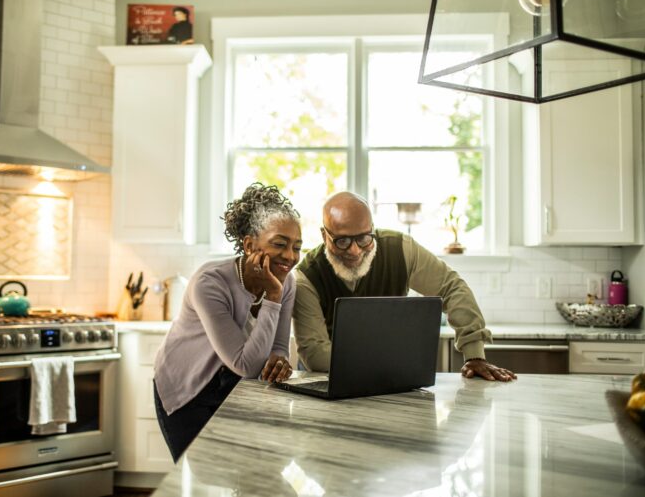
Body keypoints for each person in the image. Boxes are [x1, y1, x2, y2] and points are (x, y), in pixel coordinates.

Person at [293, 191, 516, 382]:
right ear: (324, 235)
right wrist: (394, 361)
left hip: (391, 377)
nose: (355, 251)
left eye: (364, 238)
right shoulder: (306, 277)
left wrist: (474, 354)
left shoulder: (401, 250)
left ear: (372, 228)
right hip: (326, 380)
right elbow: (315, 354)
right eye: (342, 241)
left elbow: (451, 287)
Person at [153, 183, 302, 461]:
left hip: (235, 389)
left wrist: (279, 361)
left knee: (245, 475)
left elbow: (278, 349)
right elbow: (247, 365)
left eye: (297, 247)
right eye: (280, 244)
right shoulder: (209, 283)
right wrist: (272, 296)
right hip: (187, 389)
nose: (290, 257)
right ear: (249, 245)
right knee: (199, 482)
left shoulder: (287, 282)